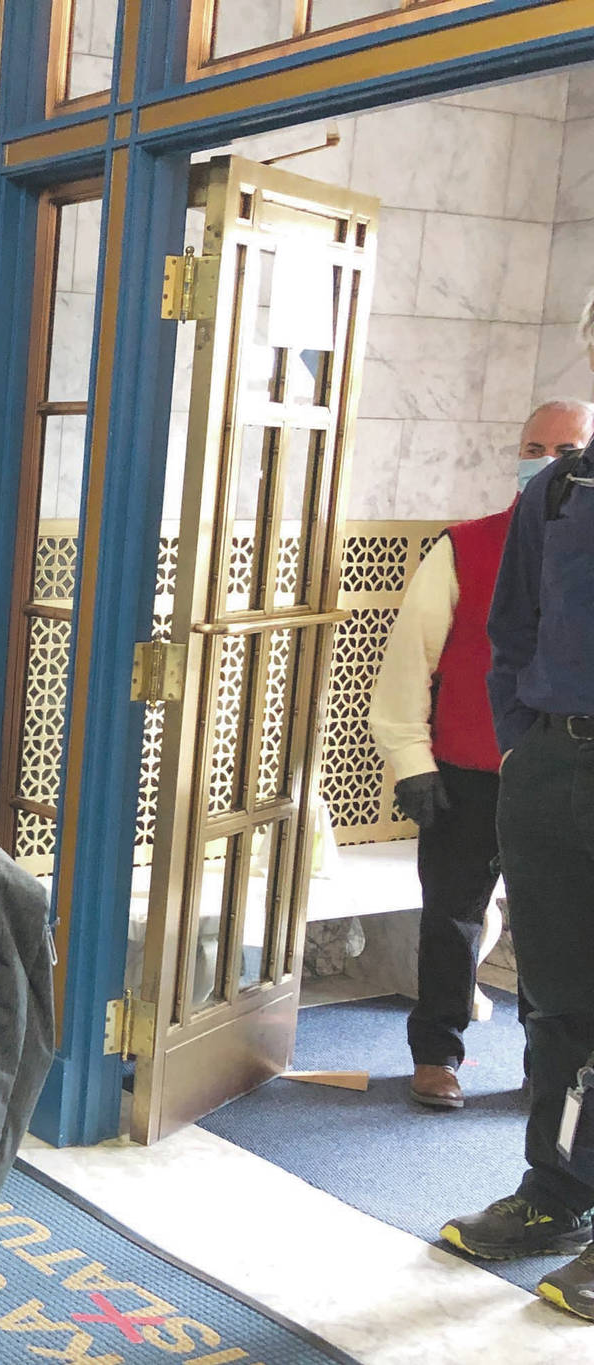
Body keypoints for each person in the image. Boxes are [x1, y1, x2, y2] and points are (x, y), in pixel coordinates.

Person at [370, 400, 594, 1110]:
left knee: (554, 933)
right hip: (466, 774)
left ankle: (548, 1069)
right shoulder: (465, 545)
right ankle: (436, 1053)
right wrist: (410, 760)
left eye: (567, 449)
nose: (549, 460)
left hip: (560, 778)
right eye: (536, 445)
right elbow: (409, 661)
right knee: (452, 921)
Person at [440, 302, 594, 1321]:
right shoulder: (556, 495)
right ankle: (553, 1196)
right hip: (555, 772)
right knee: (554, 1004)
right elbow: (511, 632)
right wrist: (521, 745)